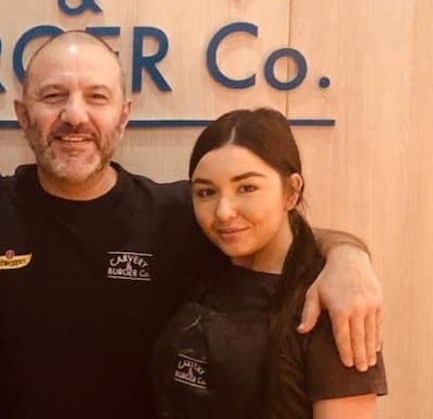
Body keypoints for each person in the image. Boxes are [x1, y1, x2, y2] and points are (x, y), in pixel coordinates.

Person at [0, 30, 383, 419]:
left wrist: (348, 257)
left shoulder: (178, 214)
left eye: (96, 96)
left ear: (125, 114)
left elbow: (269, 230)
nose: (74, 116)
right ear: (21, 114)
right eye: (53, 96)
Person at [151, 108, 387, 418]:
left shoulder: (329, 301)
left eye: (246, 188)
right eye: (206, 192)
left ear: (291, 191)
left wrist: (350, 258)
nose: (223, 212)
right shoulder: (203, 259)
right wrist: (348, 252)